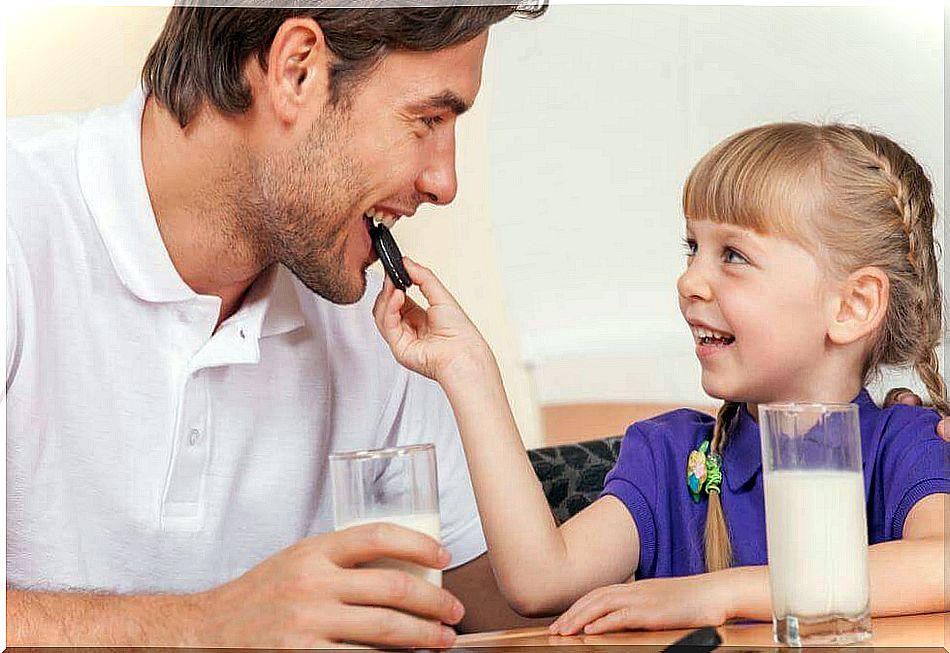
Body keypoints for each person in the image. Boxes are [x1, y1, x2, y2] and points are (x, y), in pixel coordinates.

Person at [6, 4, 547, 647]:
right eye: (428, 119)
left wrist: (668, 524)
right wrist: (202, 628)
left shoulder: (372, 320)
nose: (443, 182)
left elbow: (505, 608)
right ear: (297, 71)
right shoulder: (14, 222)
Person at [373, 123, 950, 632]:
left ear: (852, 306)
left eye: (734, 256)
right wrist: (468, 369)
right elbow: (539, 581)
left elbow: (942, 563)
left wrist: (722, 593)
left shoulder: (907, 446)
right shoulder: (668, 458)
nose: (690, 281)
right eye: (692, 247)